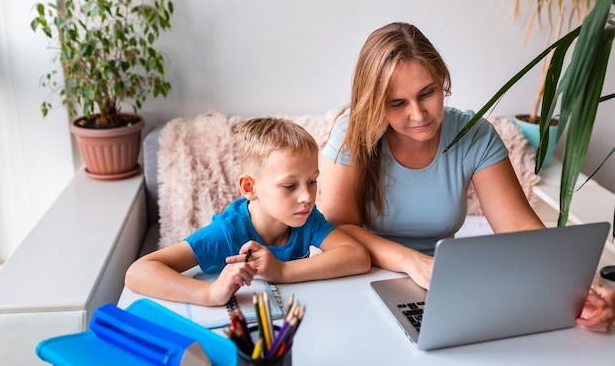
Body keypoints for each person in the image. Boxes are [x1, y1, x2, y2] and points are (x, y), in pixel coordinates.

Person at [320, 22, 615, 333]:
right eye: (398, 104)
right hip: (360, 278)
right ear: (376, 103)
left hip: (438, 287)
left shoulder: (475, 136)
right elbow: (338, 228)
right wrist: (412, 262)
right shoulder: (351, 135)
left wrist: (578, 288)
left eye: (427, 93)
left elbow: (521, 229)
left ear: (442, 80)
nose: (419, 115)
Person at [125, 117, 370, 306]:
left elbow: (357, 257)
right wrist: (209, 293)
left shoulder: (306, 218)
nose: (307, 196)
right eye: (290, 186)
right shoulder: (228, 232)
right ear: (249, 188)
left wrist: (282, 271)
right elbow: (138, 272)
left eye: (312, 181)